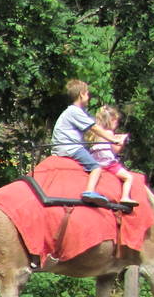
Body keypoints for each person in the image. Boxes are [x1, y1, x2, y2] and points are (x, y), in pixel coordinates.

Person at [50, 79, 128, 207]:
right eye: (87, 94)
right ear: (81, 94)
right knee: (96, 167)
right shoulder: (74, 111)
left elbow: (92, 124)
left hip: (64, 146)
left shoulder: (73, 112)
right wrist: (113, 139)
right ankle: (89, 191)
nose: (88, 97)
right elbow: (94, 128)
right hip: (70, 147)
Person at [85, 105, 136, 206]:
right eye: (116, 121)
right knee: (129, 177)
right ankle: (125, 197)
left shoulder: (96, 133)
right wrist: (122, 140)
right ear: (112, 120)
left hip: (96, 162)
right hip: (108, 164)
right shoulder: (109, 133)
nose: (117, 124)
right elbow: (116, 150)